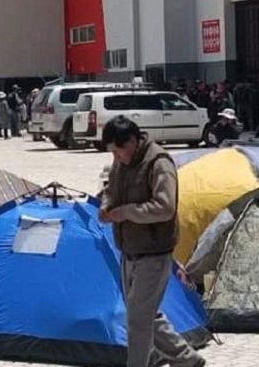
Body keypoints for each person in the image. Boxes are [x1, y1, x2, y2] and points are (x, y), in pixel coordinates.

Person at [99, 117, 205, 367]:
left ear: (133, 142)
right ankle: (186, 360)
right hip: (128, 250)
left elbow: (164, 208)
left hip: (154, 252)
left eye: (118, 150)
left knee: (138, 320)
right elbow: (110, 190)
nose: (116, 157)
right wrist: (106, 205)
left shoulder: (159, 163)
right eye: (112, 152)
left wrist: (125, 212)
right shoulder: (120, 160)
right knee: (144, 314)